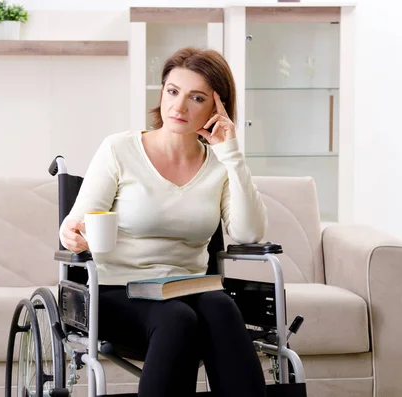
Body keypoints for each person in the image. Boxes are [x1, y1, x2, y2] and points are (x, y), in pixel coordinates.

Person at [59, 47, 268, 397]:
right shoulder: (119, 150)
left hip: (188, 289)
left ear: (218, 108)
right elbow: (78, 224)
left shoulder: (220, 165)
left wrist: (231, 153)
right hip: (117, 291)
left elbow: (248, 233)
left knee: (221, 306)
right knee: (176, 319)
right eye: (173, 91)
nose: (179, 106)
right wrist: (71, 233)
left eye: (196, 97)